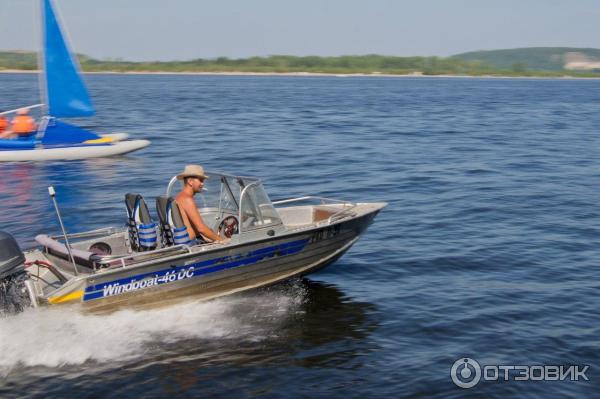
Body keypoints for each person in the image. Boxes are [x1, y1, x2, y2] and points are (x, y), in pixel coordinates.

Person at [175, 164, 226, 243]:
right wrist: (222, 241)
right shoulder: (187, 199)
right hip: (192, 243)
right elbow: (201, 228)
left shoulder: (179, 196)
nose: (202, 184)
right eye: (201, 180)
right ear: (190, 182)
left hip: (188, 240)